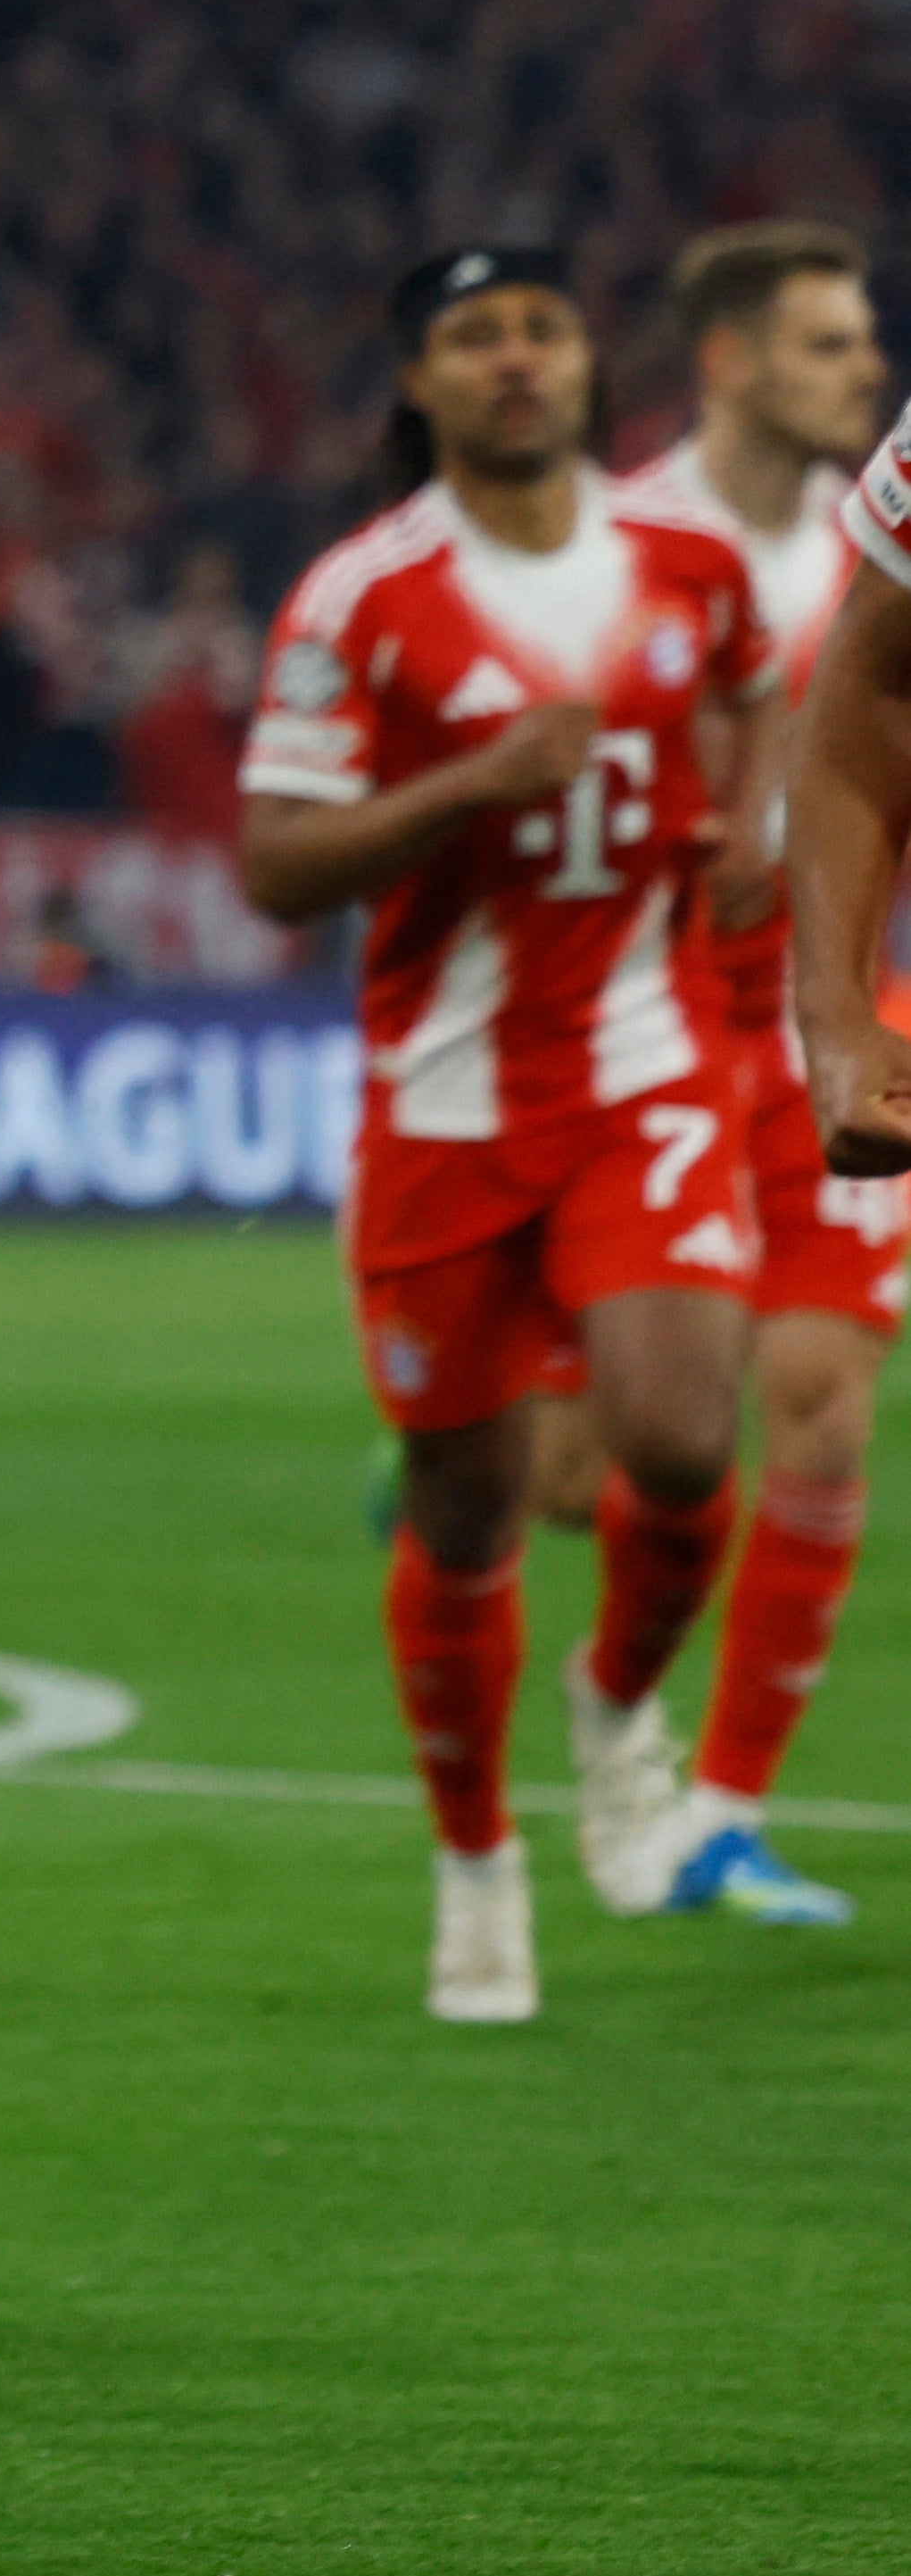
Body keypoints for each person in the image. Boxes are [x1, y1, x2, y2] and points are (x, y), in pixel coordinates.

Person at [236, 248, 783, 2023]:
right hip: (448, 1100)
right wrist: (472, 781)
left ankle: (615, 1699)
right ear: (419, 381)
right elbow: (273, 864)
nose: (516, 360)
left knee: (678, 1437)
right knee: (463, 1513)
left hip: (642, 1065)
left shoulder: (685, 563)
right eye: (473, 337)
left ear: (587, 360)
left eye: (542, 329)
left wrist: (748, 825)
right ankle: (474, 1862)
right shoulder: (359, 598)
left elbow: (758, 695)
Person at [609, 220, 894, 1919]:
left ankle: (716, 1811)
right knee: (623, 1454)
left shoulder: (872, 533)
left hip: (823, 1008)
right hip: (641, 1019)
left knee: (822, 1397)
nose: (861, 369)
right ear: (727, 361)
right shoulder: (620, 549)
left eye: (861, 339)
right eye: (821, 343)